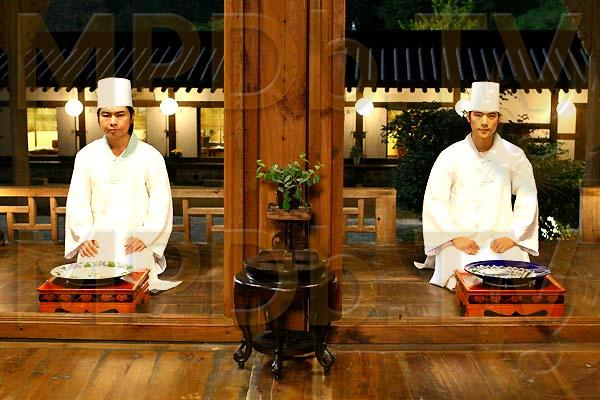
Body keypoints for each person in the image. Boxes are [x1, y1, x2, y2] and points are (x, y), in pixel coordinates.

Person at [416, 81, 539, 290]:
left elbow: (527, 197)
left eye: (491, 116)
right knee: (456, 264)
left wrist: (513, 236)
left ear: (498, 118)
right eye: (478, 115)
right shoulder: (450, 156)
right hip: (459, 239)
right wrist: (454, 236)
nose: (484, 122)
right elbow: (435, 201)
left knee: (515, 264)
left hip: (500, 238)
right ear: (468, 116)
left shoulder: (514, 155)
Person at [65, 77, 181, 291]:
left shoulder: (150, 156)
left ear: (132, 116)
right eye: (106, 115)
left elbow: (161, 201)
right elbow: (77, 200)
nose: (113, 122)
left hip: (134, 241)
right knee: (91, 285)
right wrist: (84, 237)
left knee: (135, 284)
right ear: (98, 117)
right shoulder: (86, 156)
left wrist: (145, 236)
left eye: (120, 115)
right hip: (96, 241)